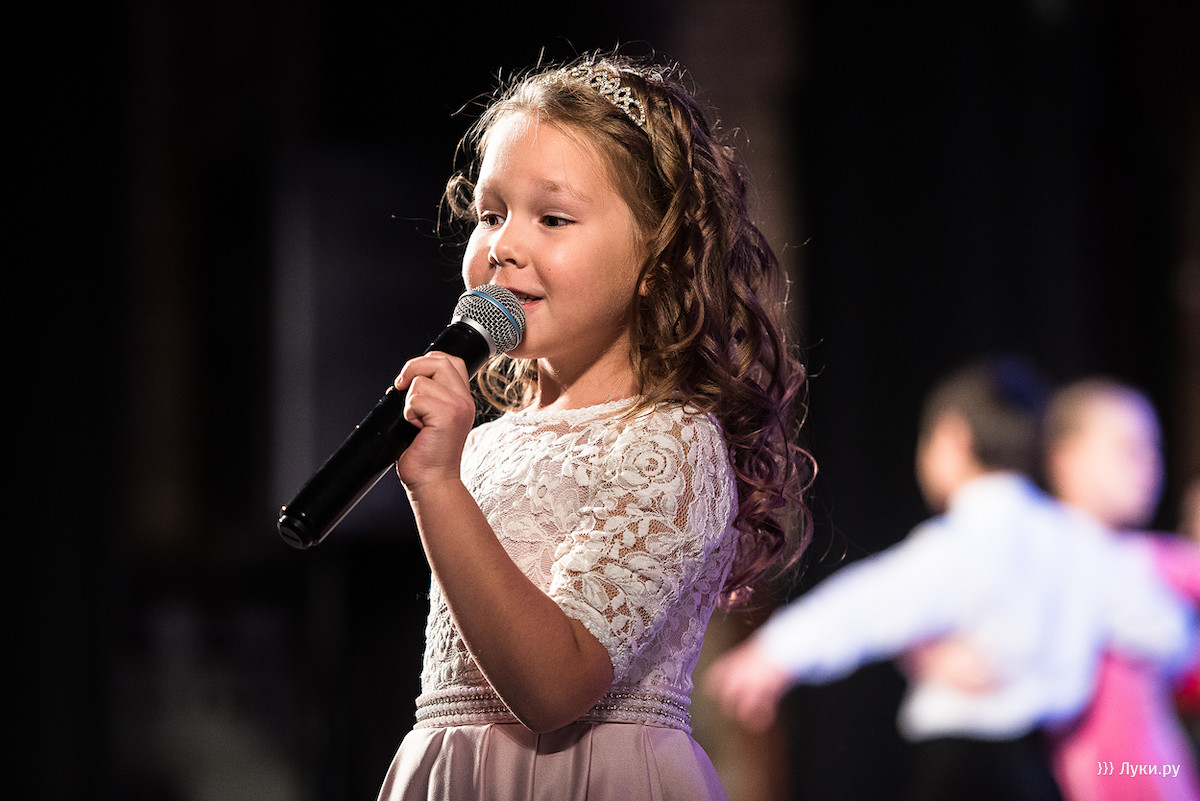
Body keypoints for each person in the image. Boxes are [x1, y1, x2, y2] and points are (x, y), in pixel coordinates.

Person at [374, 50, 812, 801]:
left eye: (552, 218)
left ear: (657, 257)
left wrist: (437, 486)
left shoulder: (669, 441)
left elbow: (553, 687)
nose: (503, 245)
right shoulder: (484, 443)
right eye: (490, 215)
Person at [704, 357, 1197, 801]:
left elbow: (872, 601)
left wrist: (774, 654)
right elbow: (1167, 632)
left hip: (964, 762)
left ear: (951, 438)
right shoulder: (1077, 542)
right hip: (1039, 768)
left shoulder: (966, 537)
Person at [1026, 379, 1200, 801]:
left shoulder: (1148, 559)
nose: (1149, 464)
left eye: (1153, 449)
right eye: (1128, 449)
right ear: (1065, 459)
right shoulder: (1039, 553)